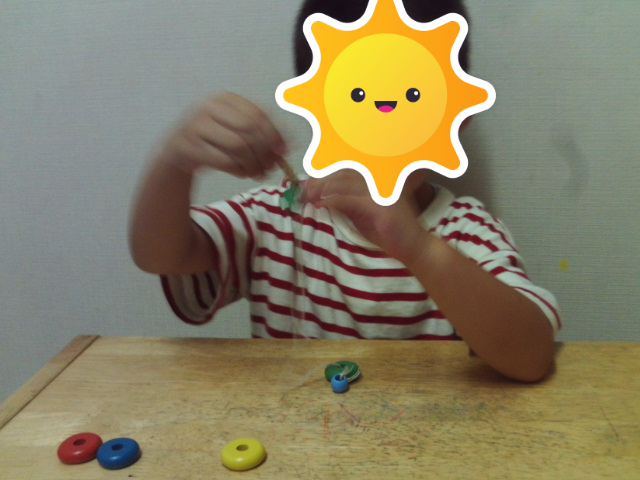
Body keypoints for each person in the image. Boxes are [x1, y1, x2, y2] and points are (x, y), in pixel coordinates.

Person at [129, 0, 561, 382]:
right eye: (356, 98)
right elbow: (161, 256)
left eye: (414, 99)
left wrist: (418, 247)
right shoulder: (281, 215)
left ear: (458, 116)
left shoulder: (467, 234)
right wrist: (175, 162)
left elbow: (530, 357)